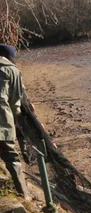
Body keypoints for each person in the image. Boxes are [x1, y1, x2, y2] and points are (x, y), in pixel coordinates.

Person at [0, 44, 29, 198]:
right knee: (12, 158)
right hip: (2, 122)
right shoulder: (13, 70)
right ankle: (24, 195)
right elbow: (15, 101)